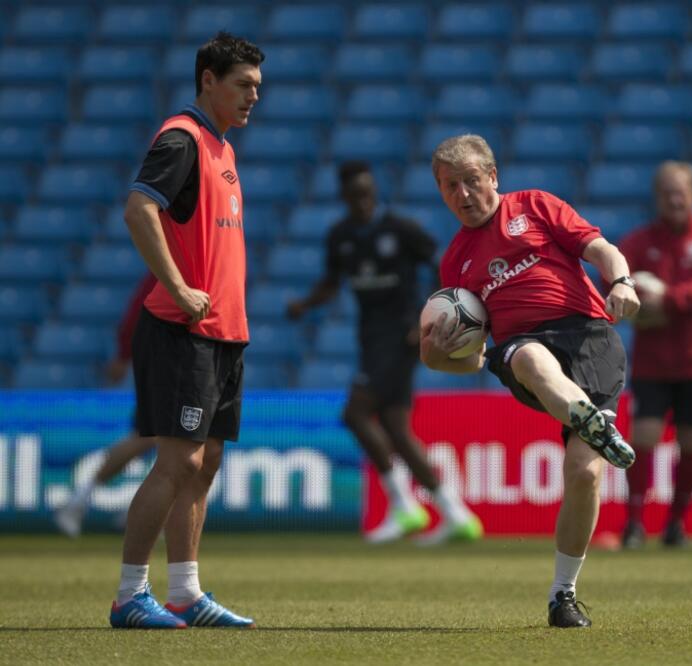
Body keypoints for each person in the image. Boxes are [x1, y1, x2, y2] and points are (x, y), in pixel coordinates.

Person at [421, 135, 640, 628]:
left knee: (584, 474)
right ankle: (590, 421)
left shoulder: (536, 206)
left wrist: (622, 280)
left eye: (472, 181)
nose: (463, 194)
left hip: (589, 338)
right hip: (522, 350)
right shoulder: (455, 264)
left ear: (493, 177)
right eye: (449, 186)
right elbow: (471, 361)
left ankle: (563, 594)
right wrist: (436, 357)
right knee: (530, 358)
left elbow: (600, 248)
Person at [111, 32, 263, 629]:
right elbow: (137, 208)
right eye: (243, 85)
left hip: (224, 333)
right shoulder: (182, 138)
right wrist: (177, 288)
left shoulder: (222, 147)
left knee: (203, 466)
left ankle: (185, 594)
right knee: (176, 464)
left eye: (257, 86)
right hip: (182, 330)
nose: (254, 96)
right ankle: (128, 595)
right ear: (208, 80)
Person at [286, 161, 482, 545]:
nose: (363, 200)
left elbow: (444, 266)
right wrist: (304, 305)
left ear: (375, 192)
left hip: (403, 336)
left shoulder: (400, 229)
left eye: (368, 193)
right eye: (356, 195)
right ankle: (457, 515)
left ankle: (404, 506)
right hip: (369, 338)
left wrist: (430, 315)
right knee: (394, 426)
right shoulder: (340, 236)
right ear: (345, 196)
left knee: (355, 413)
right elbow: (331, 282)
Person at [616, 161, 692, 549]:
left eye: (680, 191)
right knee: (643, 438)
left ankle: (676, 525)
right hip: (653, 361)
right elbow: (612, 278)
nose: (674, 198)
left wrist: (665, 298)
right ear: (657, 198)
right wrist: (630, 296)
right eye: (666, 192)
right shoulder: (638, 242)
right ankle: (634, 524)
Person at [53, 273, 158, 538]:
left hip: (179, 357)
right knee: (150, 436)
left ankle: (143, 511)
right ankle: (79, 501)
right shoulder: (171, 259)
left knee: (168, 440)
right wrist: (124, 353)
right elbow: (139, 309)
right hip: (163, 358)